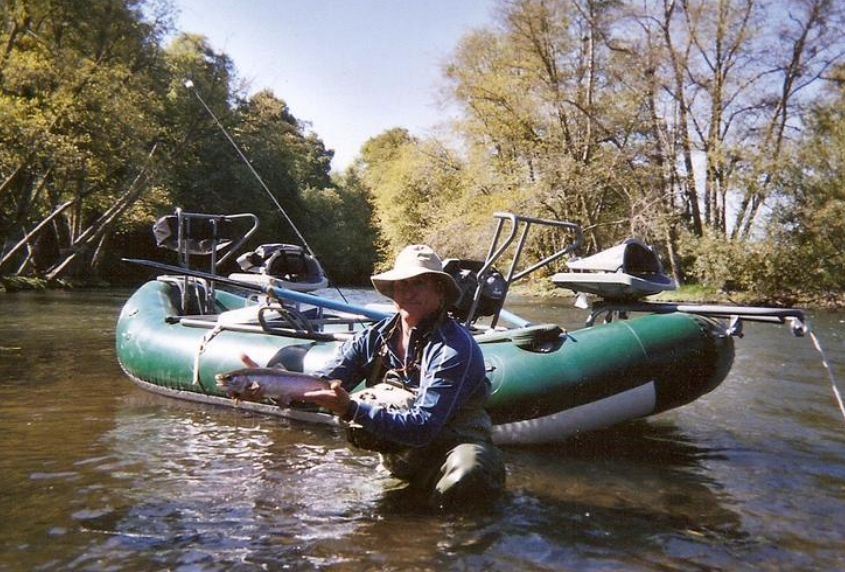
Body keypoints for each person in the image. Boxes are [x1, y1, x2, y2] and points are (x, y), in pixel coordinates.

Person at [302, 244, 506, 510]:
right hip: (401, 458)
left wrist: (351, 409)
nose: (408, 292)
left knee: (468, 473)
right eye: (401, 285)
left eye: (419, 283)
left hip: (452, 449)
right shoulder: (372, 338)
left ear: (439, 290)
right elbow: (319, 384)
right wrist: (268, 386)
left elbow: (423, 427)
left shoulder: (454, 348)